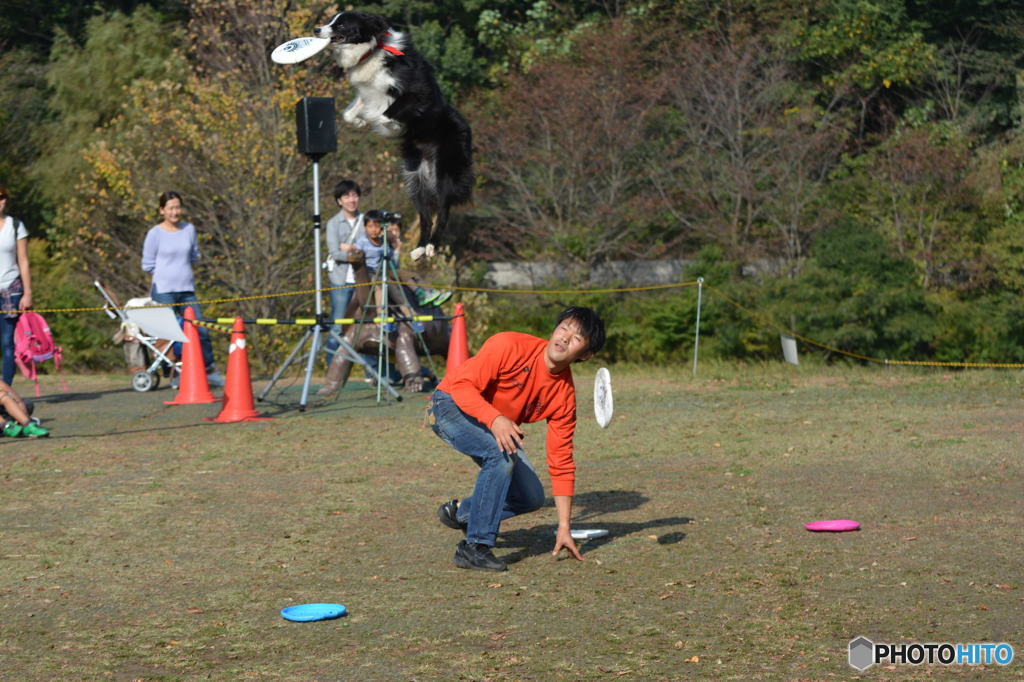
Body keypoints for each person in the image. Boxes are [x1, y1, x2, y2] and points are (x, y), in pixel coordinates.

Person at [428, 306, 606, 571]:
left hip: (491, 422)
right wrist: (495, 418)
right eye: (564, 328)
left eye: (577, 338)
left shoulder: (564, 396)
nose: (566, 338)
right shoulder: (510, 345)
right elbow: (462, 386)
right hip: (448, 404)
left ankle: (462, 513)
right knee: (499, 460)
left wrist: (565, 527)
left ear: (586, 355)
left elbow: (561, 461)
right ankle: (475, 546)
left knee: (530, 496)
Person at [141, 191, 223, 387]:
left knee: (200, 328)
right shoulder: (155, 234)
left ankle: (209, 369)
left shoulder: (189, 229)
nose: (175, 212)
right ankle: (174, 373)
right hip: (164, 291)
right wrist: (166, 274)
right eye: (171, 208)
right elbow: (147, 264)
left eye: (178, 207)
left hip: (187, 289)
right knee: (169, 335)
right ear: (162, 210)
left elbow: (195, 255)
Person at [323, 179, 364, 364]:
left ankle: (370, 372)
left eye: (354, 195)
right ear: (339, 201)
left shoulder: (366, 221)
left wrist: (349, 248)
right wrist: (354, 252)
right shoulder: (333, 223)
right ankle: (333, 368)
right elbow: (335, 252)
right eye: (346, 196)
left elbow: (370, 248)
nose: (351, 200)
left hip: (362, 279)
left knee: (365, 325)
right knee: (338, 324)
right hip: (340, 280)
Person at [0, 185, 34, 386]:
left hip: (10, 289)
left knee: (7, 343)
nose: (0, 201)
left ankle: (6, 392)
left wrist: (27, 293)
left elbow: (24, 260)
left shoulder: (15, 226)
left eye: (3, 197)